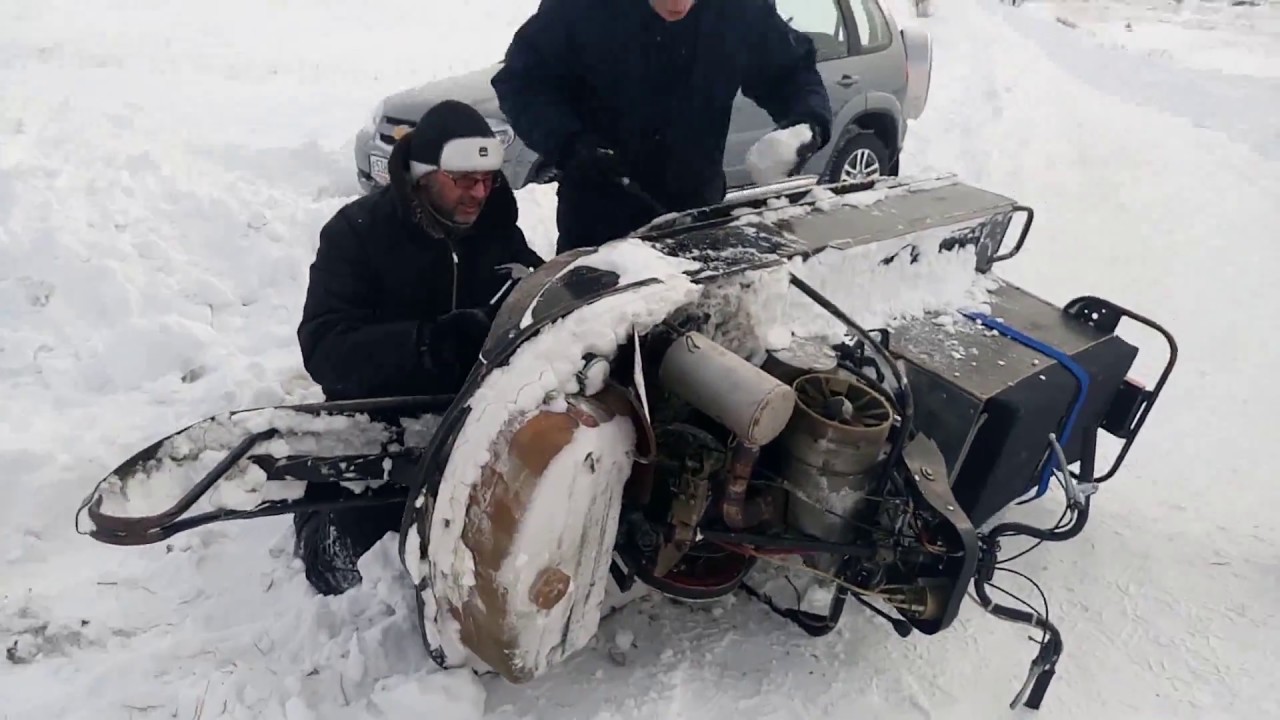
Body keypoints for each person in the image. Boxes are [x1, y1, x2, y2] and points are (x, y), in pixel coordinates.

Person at [292, 99, 545, 595]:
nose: (479, 192)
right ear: (426, 174)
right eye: (463, 180)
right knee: (339, 559)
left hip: (473, 410)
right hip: (382, 412)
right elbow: (324, 347)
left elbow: (532, 288)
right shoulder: (356, 233)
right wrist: (427, 344)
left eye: (488, 179)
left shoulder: (494, 227)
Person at [491, 0, 833, 254]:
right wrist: (570, 143)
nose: (677, 3)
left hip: (698, 217)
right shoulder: (580, 9)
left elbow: (789, 71)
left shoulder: (737, 10)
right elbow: (522, 82)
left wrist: (808, 121)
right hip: (600, 225)